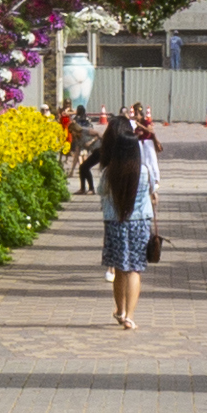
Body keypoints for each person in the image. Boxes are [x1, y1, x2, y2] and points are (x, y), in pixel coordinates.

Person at [91, 106, 151, 327]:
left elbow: (101, 192)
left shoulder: (109, 172)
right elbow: (152, 193)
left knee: (119, 268)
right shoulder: (144, 171)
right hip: (140, 223)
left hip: (115, 223)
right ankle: (130, 316)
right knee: (135, 269)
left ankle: (120, 310)